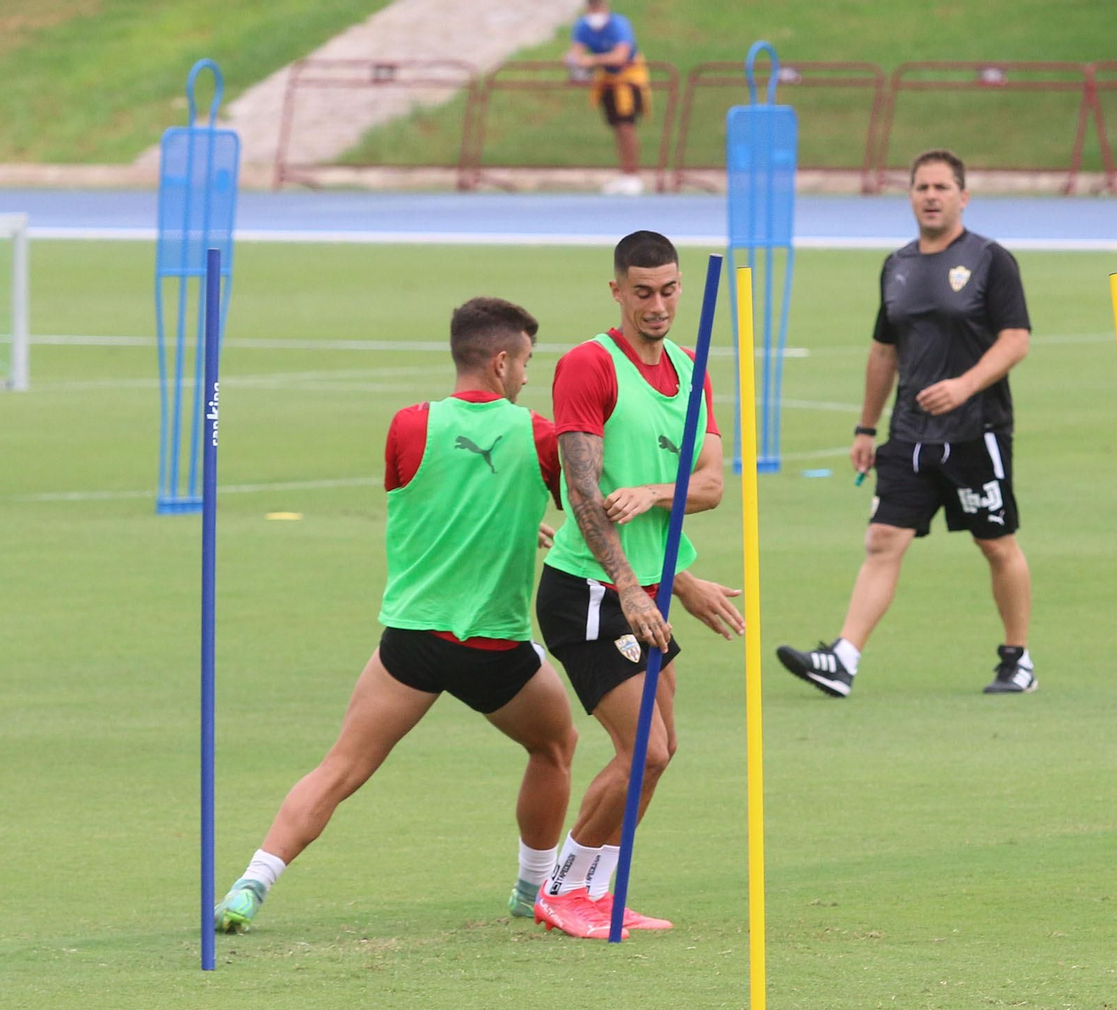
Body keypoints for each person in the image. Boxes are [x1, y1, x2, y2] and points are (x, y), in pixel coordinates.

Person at [214, 297, 580, 933]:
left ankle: (252, 882)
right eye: (524, 363)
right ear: (500, 362)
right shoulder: (540, 436)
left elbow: (438, 503)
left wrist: (522, 523)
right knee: (555, 745)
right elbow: (571, 510)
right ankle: (531, 889)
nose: (527, 376)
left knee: (341, 767)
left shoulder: (408, 426)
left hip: (412, 639)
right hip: (494, 649)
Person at [532, 230, 744, 939]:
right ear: (617, 291)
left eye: (670, 290)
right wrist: (626, 583)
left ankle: (595, 892)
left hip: (647, 590)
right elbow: (583, 491)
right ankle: (560, 890)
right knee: (644, 750)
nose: (658, 305)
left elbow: (710, 484)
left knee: (661, 752)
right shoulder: (589, 365)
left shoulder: (691, 369)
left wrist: (659, 511)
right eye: (643, 292)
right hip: (588, 590)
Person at [776, 149, 1035, 699]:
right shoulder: (896, 265)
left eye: (942, 187)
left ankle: (1017, 660)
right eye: (922, 187)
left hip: (976, 433)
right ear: (911, 196)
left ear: (963, 196)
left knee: (996, 545)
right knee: (883, 539)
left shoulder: (991, 260)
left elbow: (1016, 339)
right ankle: (842, 660)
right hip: (910, 438)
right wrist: (866, 429)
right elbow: (882, 352)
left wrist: (966, 385)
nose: (931, 196)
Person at [565, 0, 650, 196]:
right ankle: (624, 174)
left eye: (597, 6)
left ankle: (634, 175)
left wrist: (592, 60)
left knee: (627, 127)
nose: (594, 11)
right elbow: (575, 52)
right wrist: (572, 61)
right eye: (591, 7)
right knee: (616, 128)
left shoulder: (619, 24)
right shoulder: (583, 26)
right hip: (607, 80)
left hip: (628, 79)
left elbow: (621, 55)